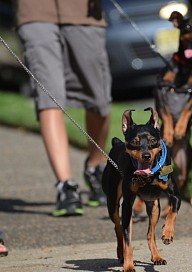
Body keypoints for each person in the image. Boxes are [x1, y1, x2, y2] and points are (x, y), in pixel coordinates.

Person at [15, 0, 112, 216]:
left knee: (99, 98)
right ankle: (66, 185)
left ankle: (95, 165)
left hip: (83, 11)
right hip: (34, 10)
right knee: (48, 94)